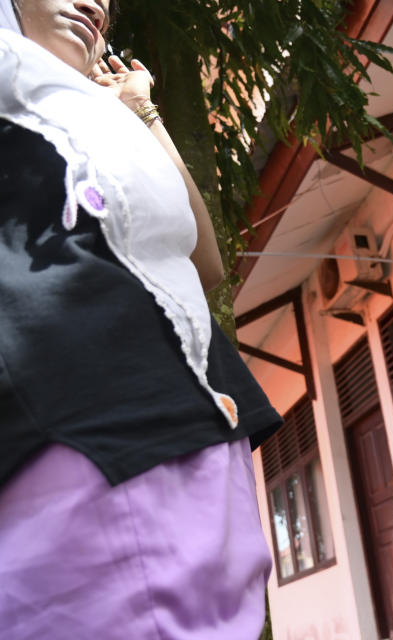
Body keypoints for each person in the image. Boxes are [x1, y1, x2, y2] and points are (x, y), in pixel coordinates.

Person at [0, 1, 282, 638]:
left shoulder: (99, 115)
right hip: (93, 448)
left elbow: (203, 257)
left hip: (203, 443)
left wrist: (139, 108)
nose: (94, 1)